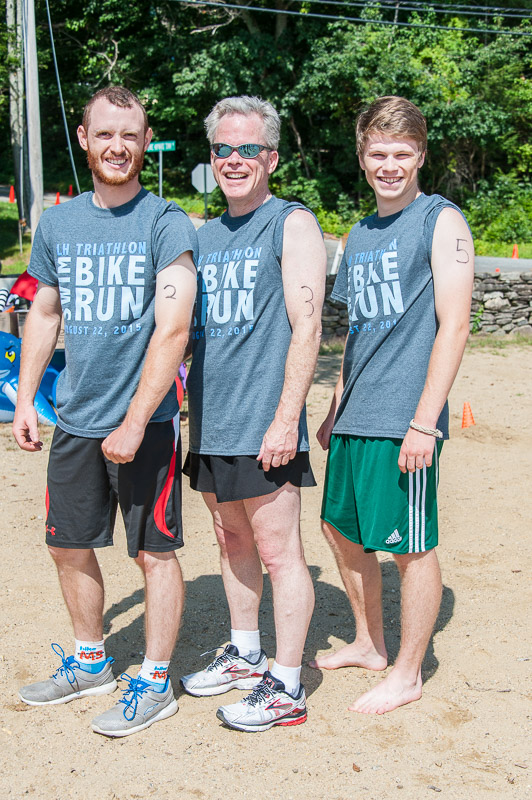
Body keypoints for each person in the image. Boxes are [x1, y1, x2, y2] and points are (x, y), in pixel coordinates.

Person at [13, 86, 198, 737]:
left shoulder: (166, 222)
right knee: (66, 545)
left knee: (153, 553)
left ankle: (155, 681)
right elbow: (43, 312)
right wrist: (26, 399)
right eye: (105, 134)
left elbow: (174, 329)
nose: (117, 147)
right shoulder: (57, 224)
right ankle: (91, 662)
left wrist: (135, 418)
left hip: (144, 427)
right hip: (73, 420)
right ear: (84, 140)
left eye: (130, 135)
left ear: (145, 141)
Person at [312, 96, 474, 714]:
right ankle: (369, 643)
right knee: (339, 529)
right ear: (362, 157)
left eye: (402, 153)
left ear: (421, 155)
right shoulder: (358, 234)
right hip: (356, 413)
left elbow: (455, 325)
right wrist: (334, 407)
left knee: (409, 544)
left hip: (405, 417)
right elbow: (356, 331)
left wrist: (425, 423)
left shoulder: (441, 220)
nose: (389, 165)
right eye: (378, 153)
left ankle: (407, 673)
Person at [180, 96, 326, 732]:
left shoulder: (290, 223)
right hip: (211, 423)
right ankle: (245, 654)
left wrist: (286, 418)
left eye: (247, 149)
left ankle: (287, 685)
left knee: (279, 552)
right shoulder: (203, 236)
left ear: (271, 157)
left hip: (266, 424)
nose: (233, 160)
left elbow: (308, 326)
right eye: (223, 149)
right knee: (231, 540)